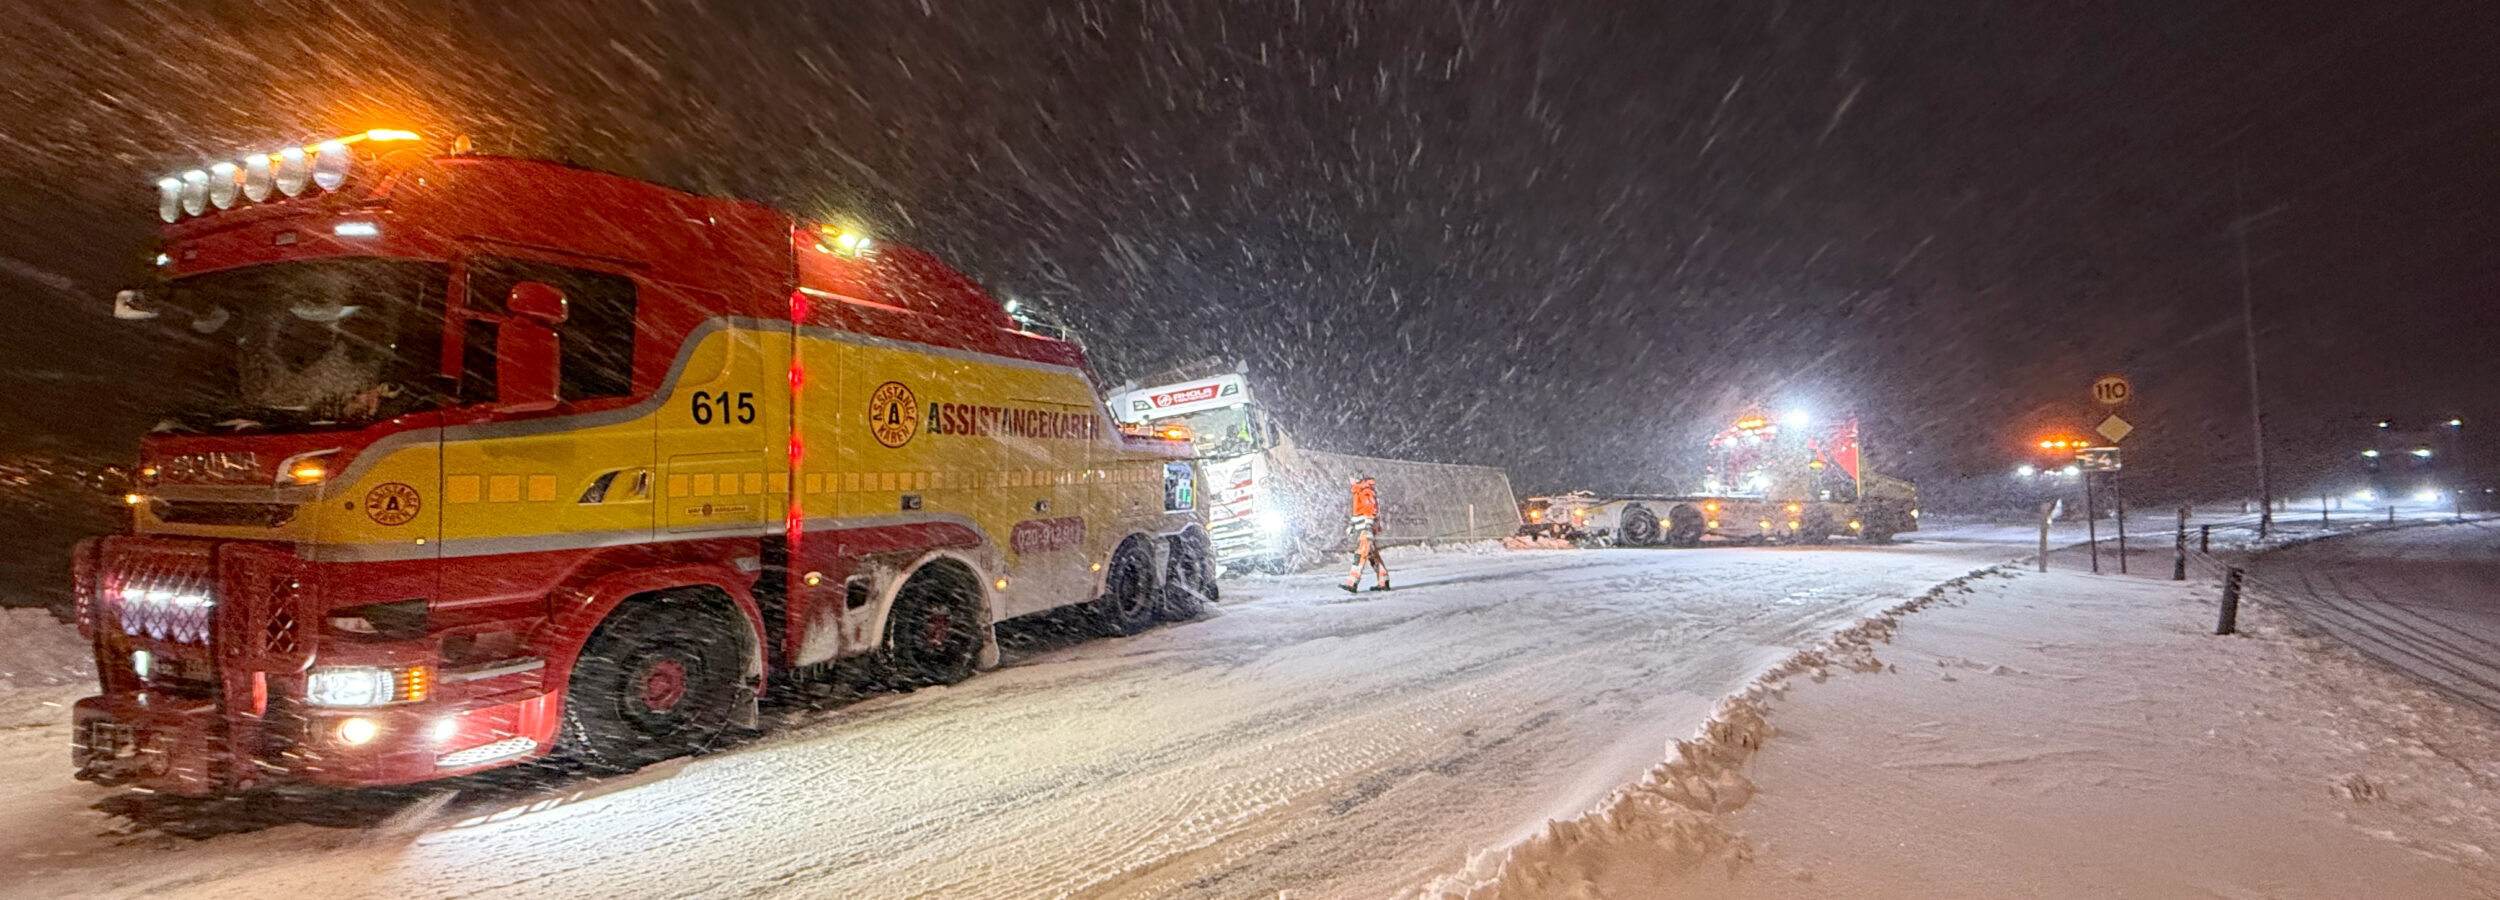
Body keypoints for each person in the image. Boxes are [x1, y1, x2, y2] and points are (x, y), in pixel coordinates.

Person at [1342, 474, 1390, 593]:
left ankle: (1352, 583)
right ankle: (1383, 580)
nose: (1350, 480)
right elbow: (1358, 512)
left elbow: (1370, 510)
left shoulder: (1365, 491)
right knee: (1372, 555)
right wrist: (1353, 525)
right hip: (1362, 528)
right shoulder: (1359, 492)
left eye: (1351, 478)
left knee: (1360, 554)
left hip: (1365, 529)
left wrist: (1368, 527)